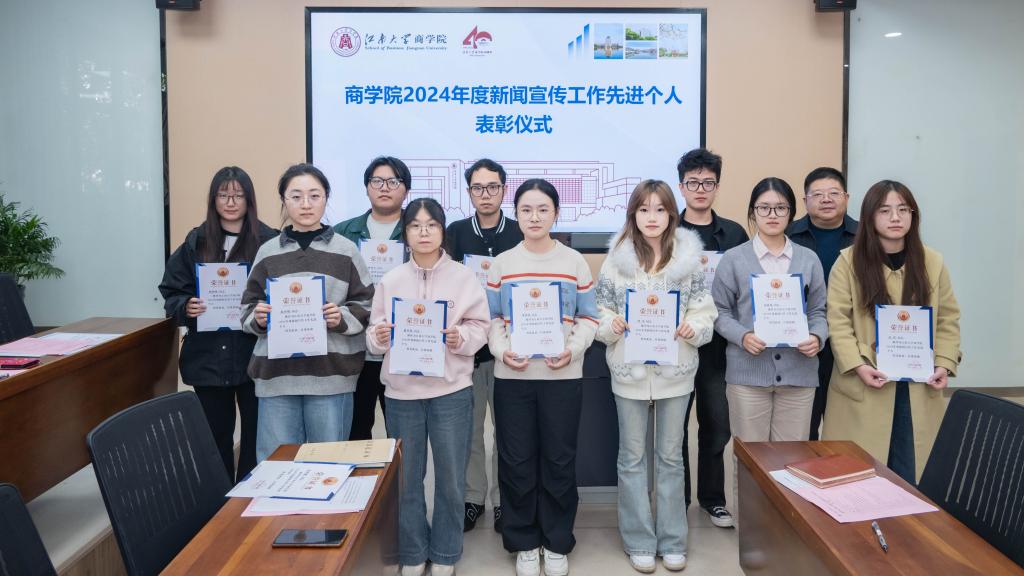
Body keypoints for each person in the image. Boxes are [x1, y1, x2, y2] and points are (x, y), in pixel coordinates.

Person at [595, 180, 717, 573]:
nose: (652, 217)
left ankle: (673, 539)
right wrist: (612, 324)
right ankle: (639, 540)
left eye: (660, 209)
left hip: (674, 372)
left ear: (671, 214)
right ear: (633, 214)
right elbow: (599, 310)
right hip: (629, 372)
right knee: (631, 458)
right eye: (644, 209)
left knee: (670, 457)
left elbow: (704, 310)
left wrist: (694, 328)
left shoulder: (689, 260)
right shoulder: (616, 260)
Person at [367, 198, 490, 576]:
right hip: (402, 394)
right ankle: (413, 550)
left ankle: (446, 552)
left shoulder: (463, 277)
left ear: (442, 231)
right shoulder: (391, 280)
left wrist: (460, 338)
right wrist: (379, 337)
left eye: (431, 225)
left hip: (451, 392)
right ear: (405, 233)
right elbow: (373, 335)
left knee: (451, 478)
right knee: (407, 479)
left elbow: (480, 327)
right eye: (415, 225)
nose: (424, 232)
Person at [486, 179, 598, 576]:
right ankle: (523, 542)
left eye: (543, 209)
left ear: (556, 214)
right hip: (512, 377)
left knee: (559, 461)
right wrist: (502, 350)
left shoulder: (574, 262)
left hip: (562, 377)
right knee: (516, 461)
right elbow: (492, 318)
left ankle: (556, 540)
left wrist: (574, 349)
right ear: (516, 214)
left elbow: (588, 317)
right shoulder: (503, 263)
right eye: (526, 210)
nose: (534, 217)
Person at [822, 180, 960, 484]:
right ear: (870, 217)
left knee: (913, 472)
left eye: (903, 210)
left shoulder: (933, 262)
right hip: (867, 381)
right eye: (885, 211)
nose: (895, 217)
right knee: (860, 477)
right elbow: (838, 322)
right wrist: (858, 365)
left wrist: (944, 363)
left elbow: (948, 319)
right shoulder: (848, 262)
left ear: (913, 215)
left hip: (918, 385)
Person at [240, 163, 374, 461]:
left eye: (314, 196)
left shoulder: (346, 251)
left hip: (331, 377)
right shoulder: (268, 251)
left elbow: (366, 304)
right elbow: (247, 308)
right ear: (284, 200)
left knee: (328, 468)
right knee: (277, 469)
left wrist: (341, 318)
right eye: (296, 196)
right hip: (276, 378)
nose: (306, 204)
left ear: (326, 198)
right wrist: (258, 318)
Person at [711, 177, 828, 509]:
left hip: (798, 375)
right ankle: (749, 526)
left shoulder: (808, 259)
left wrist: (817, 337)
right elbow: (718, 311)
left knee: (792, 461)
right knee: (751, 458)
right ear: (753, 212)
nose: (772, 215)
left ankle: (786, 526)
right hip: (748, 375)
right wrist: (742, 336)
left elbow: (819, 311)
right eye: (764, 208)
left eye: (780, 208)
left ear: (791, 212)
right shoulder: (734, 259)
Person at [159, 166, 277, 483]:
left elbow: (281, 291)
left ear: (249, 200)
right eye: (223, 195)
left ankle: (247, 502)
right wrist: (186, 306)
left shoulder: (269, 241)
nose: (230, 202)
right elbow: (171, 290)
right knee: (214, 439)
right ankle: (219, 506)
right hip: (208, 359)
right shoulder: (195, 241)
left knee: (256, 439)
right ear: (213, 200)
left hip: (255, 357)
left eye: (238, 195)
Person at [446, 158, 523, 533]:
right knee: (471, 431)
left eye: (493, 187)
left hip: (512, 349)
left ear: (504, 190)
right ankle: (473, 498)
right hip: (470, 353)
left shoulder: (521, 231)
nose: (486, 194)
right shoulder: (455, 233)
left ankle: (505, 502)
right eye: (478, 188)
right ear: (469, 192)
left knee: (509, 432)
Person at [676, 148, 747, 528]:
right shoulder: (666, 230)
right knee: (674, 429)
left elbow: (748, 288)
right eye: (693, 183)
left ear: (717, 187)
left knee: (717, 425)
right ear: (681, 186)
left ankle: (712, 500)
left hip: (720, 347)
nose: (700, 189)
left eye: (708, 183)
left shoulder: (734, 234)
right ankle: (677, 500)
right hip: (676, 343)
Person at [335, 156, 411, 440]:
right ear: (367, 187)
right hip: (356, 347)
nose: (384, 187)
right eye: (377, 181)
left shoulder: (418, 229)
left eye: (393, 181)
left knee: (402, 435)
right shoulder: (343, 232)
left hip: (403, 345)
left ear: (406, 189)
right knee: (356, 432)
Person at [786, 167, 859, 440]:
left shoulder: (867, 237)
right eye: (817, 194)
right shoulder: (787, 236)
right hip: (801, 346)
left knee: (845, 431)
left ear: (846, 197)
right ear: (805, 201)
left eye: (833, 193)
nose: (826, 199)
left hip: (851, 344)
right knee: (802, 431)